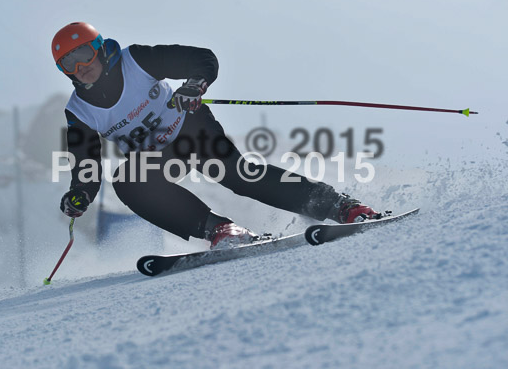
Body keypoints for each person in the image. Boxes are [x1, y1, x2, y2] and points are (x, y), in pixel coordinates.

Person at [53, 22, 379, 249]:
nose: (80, 68)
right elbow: (86, 160)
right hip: (156, 157)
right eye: (68, 64)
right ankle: (221, 230)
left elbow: (201, 58)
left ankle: (338, 206)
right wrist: (81, 192)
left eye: (83, 55)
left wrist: (194, 84)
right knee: (127, 181)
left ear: (99, 48)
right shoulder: (79, 110)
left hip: (190, 128)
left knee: (237, 175)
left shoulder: (135, 59)